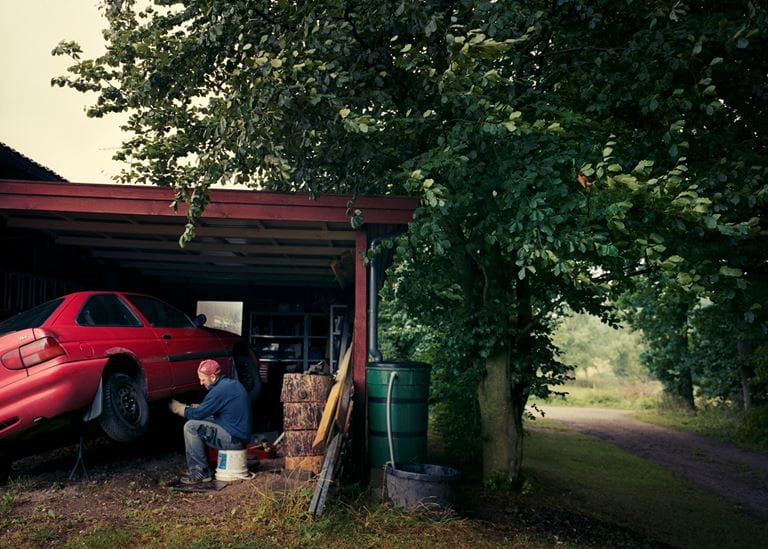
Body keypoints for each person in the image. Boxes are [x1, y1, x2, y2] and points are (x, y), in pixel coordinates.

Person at [169, 359, 252, 485]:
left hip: (233, 440)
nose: (201, 383)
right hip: (236, 433)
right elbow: (220, 411)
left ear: (213, 377)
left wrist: (179, 408)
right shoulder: (230, 385)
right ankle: (203, 468)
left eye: (203, 379)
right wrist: (201, 408)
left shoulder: (219, 391)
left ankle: (200, 472)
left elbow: (198, 414)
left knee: (191, 427)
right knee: (200, 421)